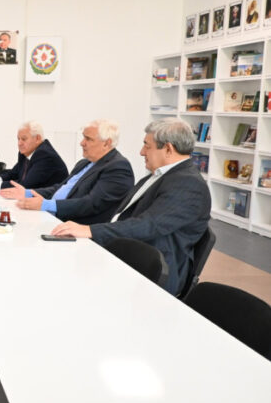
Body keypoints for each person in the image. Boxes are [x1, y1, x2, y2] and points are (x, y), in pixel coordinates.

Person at [52, 119, 211, 295]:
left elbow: (148, 225)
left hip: (150, 272)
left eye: (147, 146)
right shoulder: (160, 176)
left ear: (168, 149)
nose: (142, 152)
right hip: (125, 254)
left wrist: (90, 231)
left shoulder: (188, 184)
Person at [0, 119, 134, 224]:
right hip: (53, 217)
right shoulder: (84, 163)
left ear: (106, 143)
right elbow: (60, 188)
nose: (81, 143)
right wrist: (27, 193)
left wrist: (46, 204)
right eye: (83, 137)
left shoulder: (118, 167)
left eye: (88, 139)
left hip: (76, 228)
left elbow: (91, 203)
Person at [0, 121, 68, 190]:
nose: (19, 143)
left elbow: (25, 185)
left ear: (37, 138)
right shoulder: (26, 152)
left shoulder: (45, 155)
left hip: (51, 204)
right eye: (18, 139)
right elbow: (13, 173)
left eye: (24, 139)